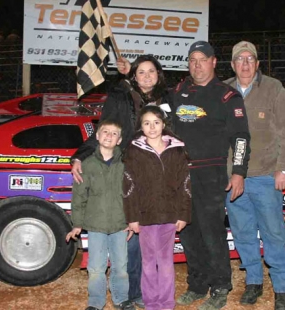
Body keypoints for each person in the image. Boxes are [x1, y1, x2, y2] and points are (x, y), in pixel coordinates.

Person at [117, 42, 251, 310]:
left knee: (212, 232)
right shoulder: (177, 92)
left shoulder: (228, 96)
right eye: (192, 59)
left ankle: (221, 286)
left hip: (211, 175)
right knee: (187, 231)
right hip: (177, 174)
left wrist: (238, 172)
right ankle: (198, 283)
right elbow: (149, 96)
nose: (197, 64)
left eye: (202, 59)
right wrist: (131, 71)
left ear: (214, 62)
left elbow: (241, 138)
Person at [71, 54, 172, 309]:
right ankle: (131, 293)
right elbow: (105, 128)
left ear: (159, 74)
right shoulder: (121, 95)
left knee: (151, 237)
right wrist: (79, 156)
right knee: (133, 236)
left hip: (159, 175)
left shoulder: (169, 99)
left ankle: (147, 290)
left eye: (151, 71)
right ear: (134, 76)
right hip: (130, 170)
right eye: (141, 72)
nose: (147, 76)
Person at [223, 41, 285, 310]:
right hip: (234, 179)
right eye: (239, 59)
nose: (244, 64)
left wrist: (283, 169)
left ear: (257, 63)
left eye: (250, 59)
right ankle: (253, 281)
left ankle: (282, 286)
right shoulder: (224, 91)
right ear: (232, 64)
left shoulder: (273, 88)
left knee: (274, 233)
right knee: (242, 233)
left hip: (266, 175)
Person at [123, 105, 191, 310]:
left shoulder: (177, 150)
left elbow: (185, 185)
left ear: (163, 124)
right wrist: (132, 217)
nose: (152, 127)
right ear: (140, 127)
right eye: (146, 123)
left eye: (156, 122)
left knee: (165, 260)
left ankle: (166, 303)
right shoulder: (134, 151)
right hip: (145, 216)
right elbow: (128, 186)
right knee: (149, 261)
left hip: (170, 215)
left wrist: (183, 214)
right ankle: (152, 303)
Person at [66, 119, 135, 310]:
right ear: (97, 136)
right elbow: (79, 197)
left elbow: (132, 195)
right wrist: (77, 224)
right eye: (105, 132)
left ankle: (121, 299)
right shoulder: (86, 165)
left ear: (120, 140)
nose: (109, 136)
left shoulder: (126, 164)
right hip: (96, 226)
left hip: (120, 225)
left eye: (114, 133)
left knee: (121, 266)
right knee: (96, 268)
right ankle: (96, 303)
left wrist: (131, 220)